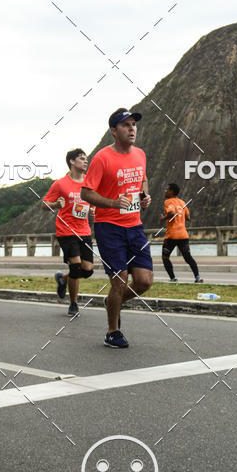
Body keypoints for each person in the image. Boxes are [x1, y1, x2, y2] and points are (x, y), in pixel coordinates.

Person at [82, 108, 153, 348]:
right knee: (119, 281)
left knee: (144, 281)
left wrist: (144, 196)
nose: (132, 129)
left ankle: (113, 302)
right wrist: (112, 203)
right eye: (126, 125)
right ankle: (113, 331)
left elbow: (142, 179)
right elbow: (86, 192)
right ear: (114, 131)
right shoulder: (102, 158)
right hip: (109, 227)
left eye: (134, 124)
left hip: (135, 226)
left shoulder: (140, 154)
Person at [42, 148, 95, 316]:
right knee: (76, 266)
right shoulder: (60, 184)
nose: (85, 161)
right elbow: (44, 204)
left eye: (86, 158)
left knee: (87, 269)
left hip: (84, 230)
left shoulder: (89, 182)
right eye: (81, 158)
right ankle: (73, 303)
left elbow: (93, 201)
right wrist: (56, 204)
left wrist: (93, 209)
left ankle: (63, 278)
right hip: (66, 230)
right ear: (72, 161)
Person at [160, 183, 203, 283]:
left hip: (172, 235)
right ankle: (197, 277)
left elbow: (171, 213)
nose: (165, 191)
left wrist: (163, 218)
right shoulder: (182, 202)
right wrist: (180, 218)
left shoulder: (168, 201)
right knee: (188, 257)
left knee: (165, 257)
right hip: (183, 235)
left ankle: (173, 278)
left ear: (172, 192)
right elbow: (188, 217)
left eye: (167, 189)